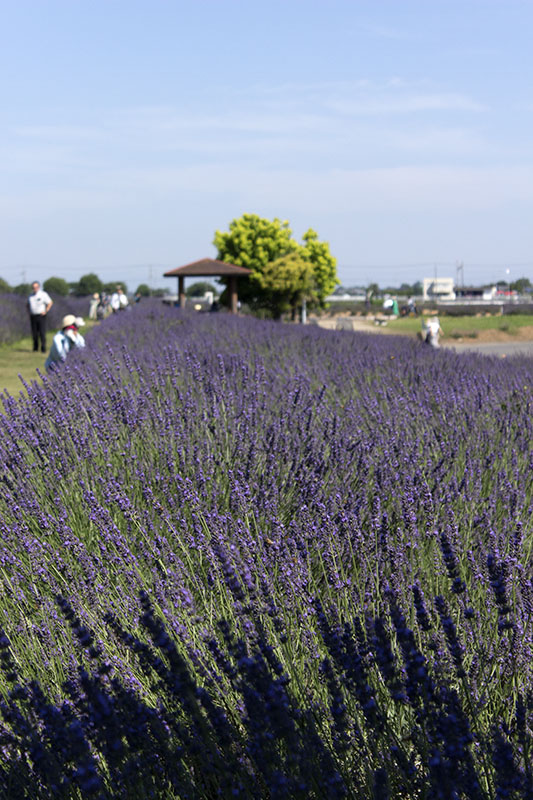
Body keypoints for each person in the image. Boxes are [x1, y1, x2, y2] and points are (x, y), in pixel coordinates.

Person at [27, 281, 53, 352]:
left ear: (38, 287)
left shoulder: (43, 294)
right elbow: (27, 304)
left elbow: (50, 302)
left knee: (42, 332)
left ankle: (43, 347)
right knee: (34, 333)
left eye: (36, 287)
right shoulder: (30, 296)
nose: (34, 288)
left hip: (41, 316)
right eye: (33, 287)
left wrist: (46, 310)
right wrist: (28, 312)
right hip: (33, 316)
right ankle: (35, 347)